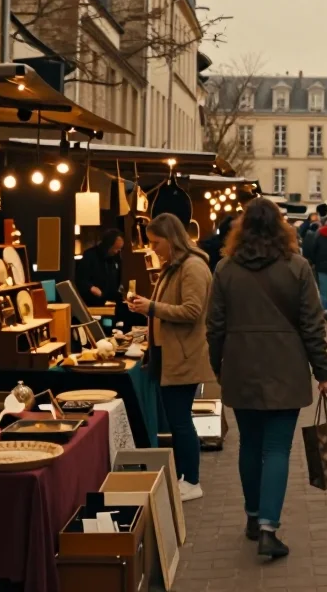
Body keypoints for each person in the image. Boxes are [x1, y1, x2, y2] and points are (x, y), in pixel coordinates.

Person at [207, 198, 327, 559]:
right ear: (282, 228)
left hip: (241, 366)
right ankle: (268, 528)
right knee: (276, 448)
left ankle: (251, 515)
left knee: (249, 443)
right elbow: (312, 325)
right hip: (286, 368)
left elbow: (214, 326)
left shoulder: (226, 269)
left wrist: (218, 366)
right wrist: (323, 371)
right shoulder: (297, 267)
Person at [128, 213, 214, 502]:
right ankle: (185, 477)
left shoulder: (192, 266)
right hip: (170, 354)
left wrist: (151, 307)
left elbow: (192, 311)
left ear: (172, 238)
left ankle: (192, 480)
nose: (153, 248)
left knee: (180, 421)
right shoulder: (175, 266)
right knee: (178, 421)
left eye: (156, 242)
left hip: (182, 355)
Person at [76, 228, 124, 307]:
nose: (117, 252)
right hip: (92, 303)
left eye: (119, 249)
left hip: (111, 302)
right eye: (115, 248)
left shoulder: (116, 258)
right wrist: (91, 287)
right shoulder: (90, 255)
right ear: (107, 245)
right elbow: (80, 280)